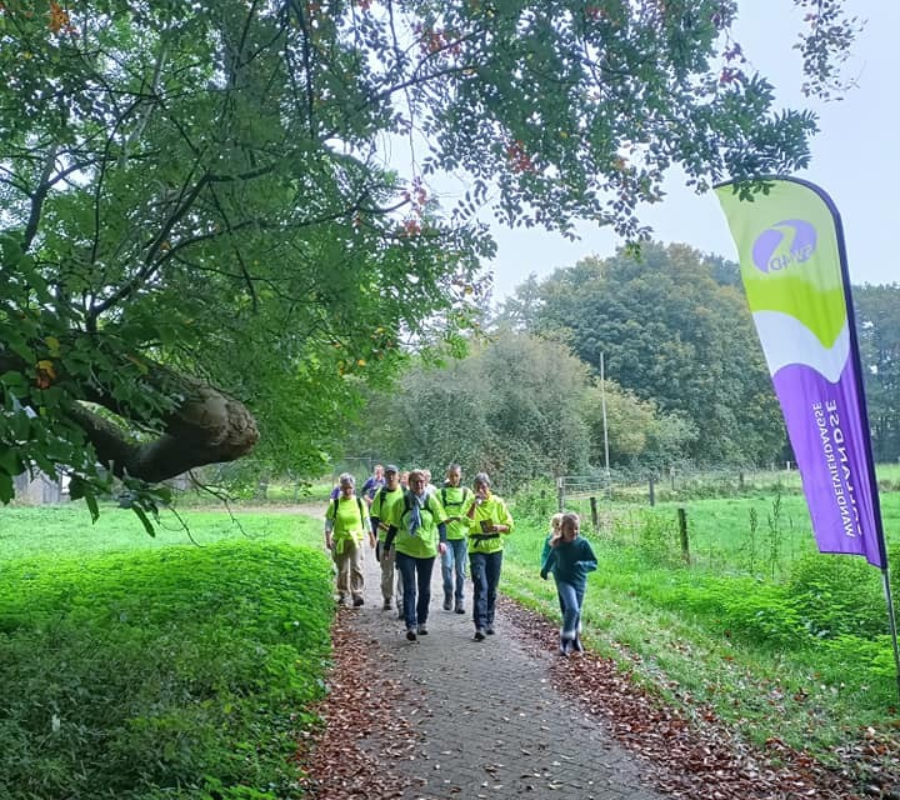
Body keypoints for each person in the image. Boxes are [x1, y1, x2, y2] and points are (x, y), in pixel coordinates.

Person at [384, 469, 448, 641]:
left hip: (427, 550)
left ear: (425, 483)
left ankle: (422, 622)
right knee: (410, 587)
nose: (419, 485)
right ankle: (410, 625)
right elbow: (393, 527)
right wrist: (386, 547)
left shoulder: (431, 500)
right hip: (405, 550)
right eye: (415, 482)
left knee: (424, 589)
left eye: (421, 481)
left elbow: (441, 523)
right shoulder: (401, 502)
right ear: (409, 484)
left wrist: (442, 541)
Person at [464, 472, 514, 641]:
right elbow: (465, 523)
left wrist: (498, 527)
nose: (481, 490)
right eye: (478, 487)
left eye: (484, 487)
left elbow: (510, 526)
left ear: (489, 487)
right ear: (474, 489)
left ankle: (490, 621)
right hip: (477, 549)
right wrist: (473, 505)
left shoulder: (498, 503)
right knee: (481, 585)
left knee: (492, 587)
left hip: (495, 549)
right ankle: (480, 625)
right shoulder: (470, 503)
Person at [540, 512, 597, 657]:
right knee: (571, 609)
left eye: (577, 528)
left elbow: (593, 563)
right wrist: (545, 571)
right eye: (570, 529)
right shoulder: (558, 544)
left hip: (579, 582)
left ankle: (575, 639)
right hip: (563, 580)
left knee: (576, 611)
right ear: (563, 529)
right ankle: (564, 642)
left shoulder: (583, 543)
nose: (574, 532)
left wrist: (583, 565)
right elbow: (551, 558)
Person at [324, 473, 375, 606]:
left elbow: (366, 520)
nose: (348, 490)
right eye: (345, 487)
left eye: (350, 488)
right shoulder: (335, 504)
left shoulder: (359, 502)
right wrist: (327, 538)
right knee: (342, 569)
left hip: (356, 539)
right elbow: (329, 522)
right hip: (339, 539)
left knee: (356, 567)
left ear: (354, 488)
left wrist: (371, 536)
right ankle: (342, 593)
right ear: (340, 488)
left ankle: (357, 593)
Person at [369, 465, 405, 612]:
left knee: (403, 570)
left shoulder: (405, 492)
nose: (390, 477)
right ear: (384, 476)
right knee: (387, 571)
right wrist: (388, 529)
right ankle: (387, 597)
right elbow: (374, 517)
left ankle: (401, 600)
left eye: (393, 474)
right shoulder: (381, 493)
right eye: (388, 474)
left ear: (398, 476)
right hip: (385, 539)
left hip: (403, 540)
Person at [439, 463, 471, 614]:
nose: (454, 478)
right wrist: (446, 520)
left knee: (461, 570)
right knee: (446, 567)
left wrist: (461, 518)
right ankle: (448, 595)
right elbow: (437, 514)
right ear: (447, 476)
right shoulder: (441, 494)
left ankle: (460, 600)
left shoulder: (466, 493)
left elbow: (472, 512)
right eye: (451, 476)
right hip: (446, 538)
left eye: (456, 475)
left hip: (461, 537)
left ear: (461, 476)